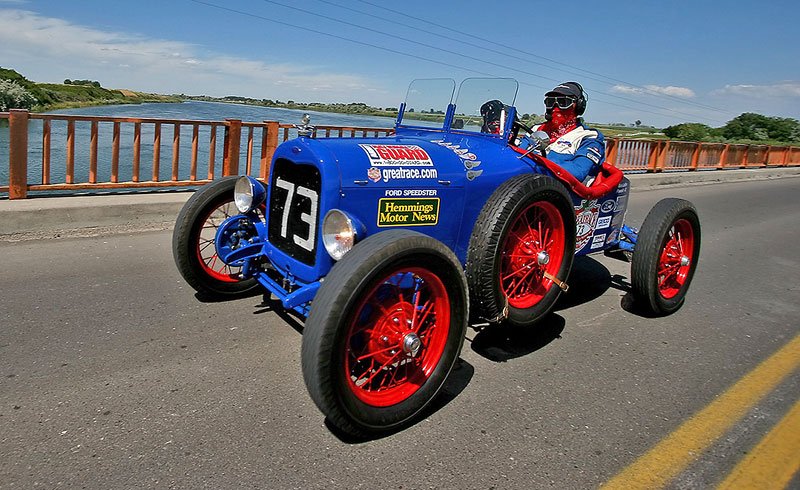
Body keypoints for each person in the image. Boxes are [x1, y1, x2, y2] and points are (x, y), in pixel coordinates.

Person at [529, 82, 605, 183]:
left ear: (578, 106)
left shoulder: (588, 136)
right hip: (527, 183)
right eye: (550, 102)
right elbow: (516, 152)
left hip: (559, 191)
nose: (555, 107)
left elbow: (578, 172)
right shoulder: (536, 129)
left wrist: (534, 162)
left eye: (563, 102)